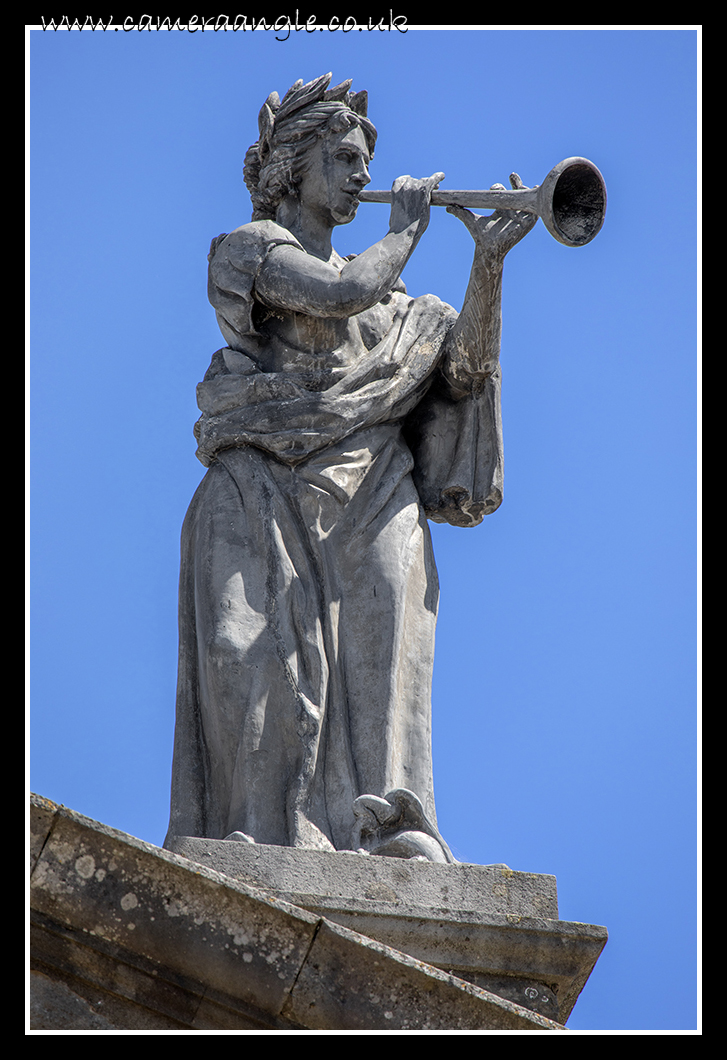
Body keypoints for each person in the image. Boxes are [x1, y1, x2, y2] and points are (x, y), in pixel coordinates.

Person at [164, 74, 535, 861]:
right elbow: (336, 292)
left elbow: (462, 375)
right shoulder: (248, 252)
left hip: (374, 493)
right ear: (291, 168)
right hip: (259, 486)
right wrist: (404, 231)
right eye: (344, 157)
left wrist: (487, 267)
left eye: (366, 158)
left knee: (385, 660)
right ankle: (261, 833)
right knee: (248, 659)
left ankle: (388, 824)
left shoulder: (401, 310)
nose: (363, 174)